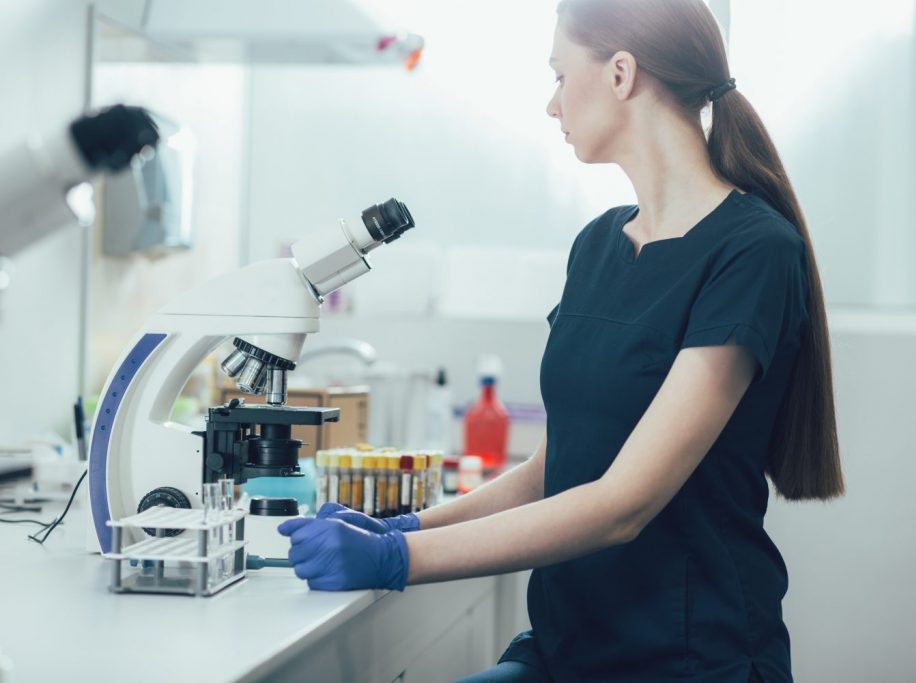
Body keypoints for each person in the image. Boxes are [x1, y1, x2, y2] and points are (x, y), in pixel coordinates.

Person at [277, 0, 844, 680]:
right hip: (569, 645)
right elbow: (551, 470)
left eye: (557, 74)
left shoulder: (751, 251)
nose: (552, 105)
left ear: (621, 73)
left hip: (688, 657)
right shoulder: (598, 245)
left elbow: (623, 503)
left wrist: (401, 563)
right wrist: (408, 526)